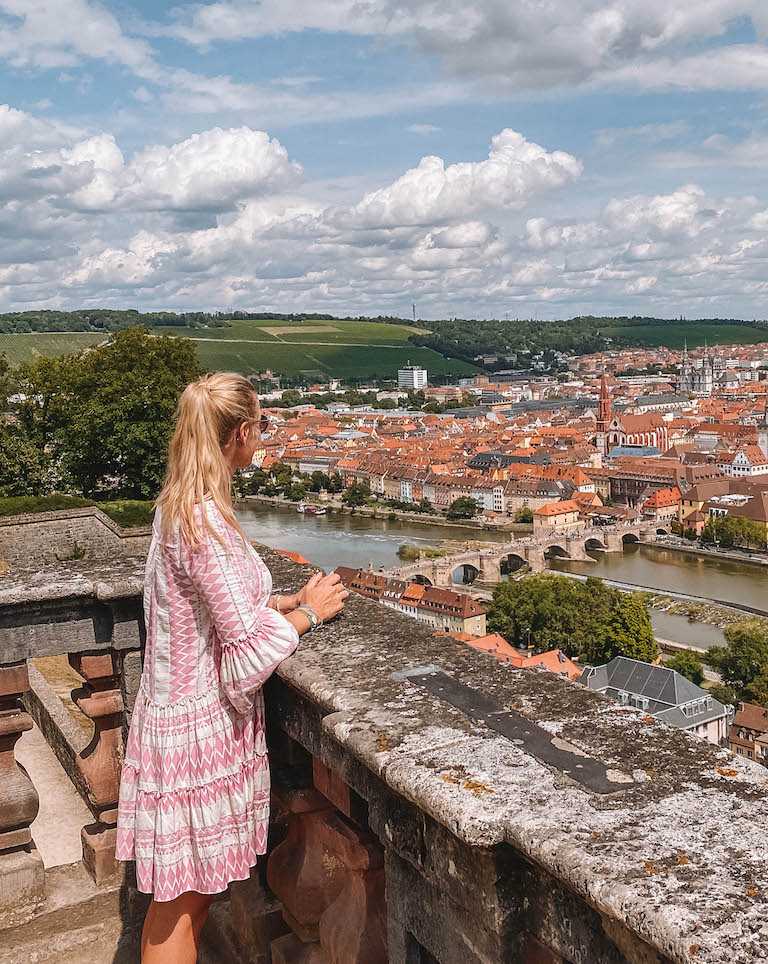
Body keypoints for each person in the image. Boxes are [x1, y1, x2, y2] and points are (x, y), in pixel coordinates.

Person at [115, 372, 348, 963]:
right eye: (262, 426)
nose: (263, 437)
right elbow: (243, 657)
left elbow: (212, 611)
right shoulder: (204, 525)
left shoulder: (181, 508)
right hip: (195, 733)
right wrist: (310, 617)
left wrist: (277, 602)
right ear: (242, 432)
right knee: (181, 906)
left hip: (177, 719)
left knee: (189, 902)